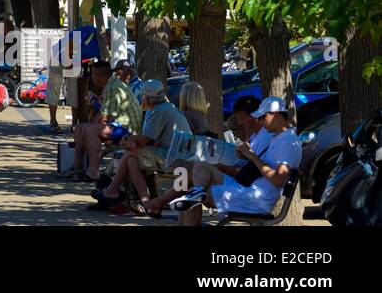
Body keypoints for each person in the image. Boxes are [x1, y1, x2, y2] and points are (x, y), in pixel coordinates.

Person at [172, 96, 302, 225]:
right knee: (200, 167)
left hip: (257, 198)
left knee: (192, 197)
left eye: (263, 117)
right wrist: (247, 155)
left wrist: (252, 156)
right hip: (247, 187)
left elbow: (278, 179)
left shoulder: (288, 142)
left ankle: (174, 198)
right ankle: (195, 192)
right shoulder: (277, 137)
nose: (261, 122)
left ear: (277, 115)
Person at [92, 79, 188, 212]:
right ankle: (145, 202)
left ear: (148, 97)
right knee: (132, 161)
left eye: (143, 95)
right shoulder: (168, 108)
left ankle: (113, 190)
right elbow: (150, 139)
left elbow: (146, 140)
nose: (142, 98)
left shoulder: (157, 111)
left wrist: (128, 139)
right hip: (178, 155)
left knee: (131, 152)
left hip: (172, 158)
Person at [69, 60, 142, 183]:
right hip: (120, 126)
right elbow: (102, 115)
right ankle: (77, 168)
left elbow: (105, 118)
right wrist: (84, 127)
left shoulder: (113, 88)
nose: (92, 78)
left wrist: (89, 127)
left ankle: (93, 171)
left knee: (90, 130)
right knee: (81, 128)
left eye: (93, 75)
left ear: (99, 76)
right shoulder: (110, 85)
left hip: (129, 131)